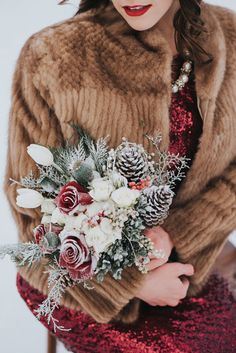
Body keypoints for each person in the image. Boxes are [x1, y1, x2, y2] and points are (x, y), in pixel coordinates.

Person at [4, 0, 236, 351]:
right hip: (81, 283)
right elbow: (30, 210)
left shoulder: (229, 39)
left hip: (195, 256)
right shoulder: (53, 55)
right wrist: (131, 283)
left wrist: (178, 236)